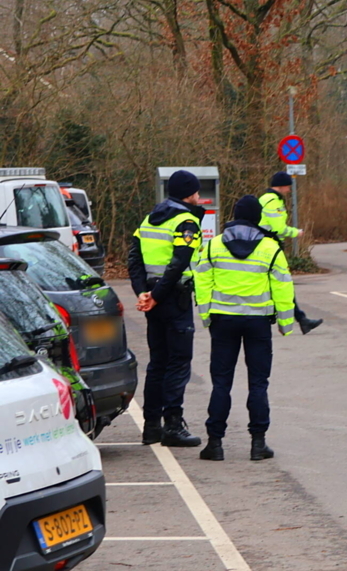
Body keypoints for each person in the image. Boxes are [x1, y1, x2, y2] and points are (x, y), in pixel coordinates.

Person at [194, 196, 296, 461]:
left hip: (223, 322)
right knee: (259, 383)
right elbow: (283, 287)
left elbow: (201, 281)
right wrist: (286, 323)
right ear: (257, 218)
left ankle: (214, 444)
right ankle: (258, 444)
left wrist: (206, 315)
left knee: (221, 384)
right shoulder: (270, 248)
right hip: (258, 323)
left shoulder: (213, 245)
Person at [127, 170, 205, 448]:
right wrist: (157, 296)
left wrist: (143, 293)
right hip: (173, 299)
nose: (199, 197)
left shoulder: (149, 219)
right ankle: (173, 425)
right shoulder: (186, 222)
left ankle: (151, 427)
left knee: (158, 362)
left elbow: (134, 260)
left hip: (154, 299)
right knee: (178, 362)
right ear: (189, 194)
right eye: (196, 192)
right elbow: (178, 264)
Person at [259, 172, 322, 334]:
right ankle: (299, 319)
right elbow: (279, 228)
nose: (289, 190)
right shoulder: (273, 202)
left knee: (279, 284)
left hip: (264, 246)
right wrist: (296, 232)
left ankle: (302, 319)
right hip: (269, 248)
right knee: (282, 284)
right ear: (281, 186)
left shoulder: (266, 199)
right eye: (287, 186)